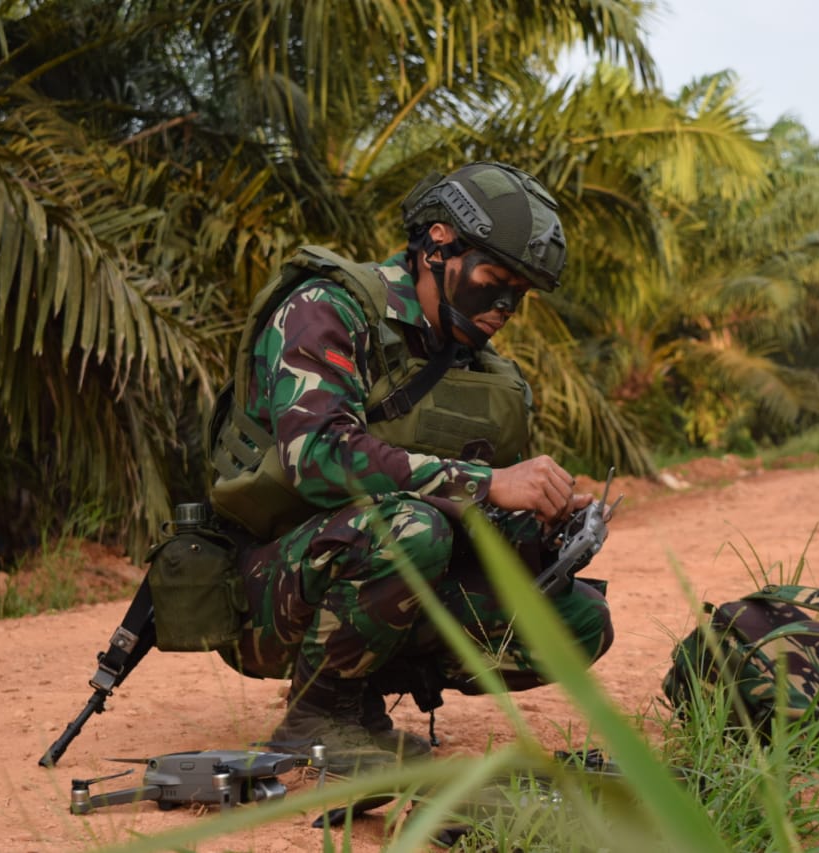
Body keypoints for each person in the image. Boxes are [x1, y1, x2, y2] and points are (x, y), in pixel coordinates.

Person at [204, 161, 614, 773]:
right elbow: (317, 456)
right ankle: (319, 718)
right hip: (261, 590)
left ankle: (360, 694)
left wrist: (544, 531)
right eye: (493, 280)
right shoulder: (328, 309)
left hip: (374, 568)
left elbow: (478, 520)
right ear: (437, 246)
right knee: (414, 528)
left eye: (519, 294)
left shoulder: (481, 368)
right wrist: (490, 483)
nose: (505, 306)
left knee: (581, 621)